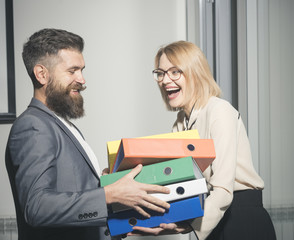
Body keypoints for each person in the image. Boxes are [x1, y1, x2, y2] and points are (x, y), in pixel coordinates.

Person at [5, 28, 170, 240]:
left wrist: (125, 222)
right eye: (72, 71)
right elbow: (37, 207)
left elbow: (78, 202)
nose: (82, 80)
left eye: (82, 70)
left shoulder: (61, 124)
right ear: (41, 74)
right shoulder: (33, 126)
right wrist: (109, 194)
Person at [129, 40, 276, 240]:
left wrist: (188, 225)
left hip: (241, 217)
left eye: (175, 72)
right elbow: (176, 182)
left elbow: (223, 190)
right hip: (213, 214)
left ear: (195, 73)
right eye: (161, 73)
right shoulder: (180, 123)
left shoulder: (219, 111)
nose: (165, 80)